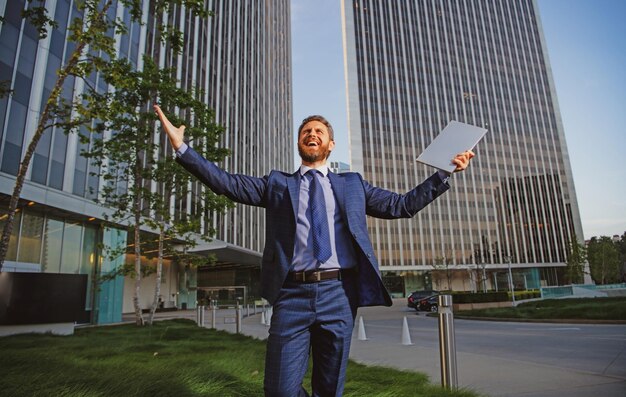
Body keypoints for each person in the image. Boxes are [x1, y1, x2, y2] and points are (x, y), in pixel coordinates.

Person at [154, 105, 474, 396]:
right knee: (279, 390)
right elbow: (227, 183)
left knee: (329, 387)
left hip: (338, 293)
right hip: (292, 293)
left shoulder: (352, 184)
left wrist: (443, 173)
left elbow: (401, 205)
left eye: (319, 131)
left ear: (330, 145)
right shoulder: (277, 184)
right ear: (299, 143)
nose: (312, 134)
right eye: (306, 131)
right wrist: (182, 148)